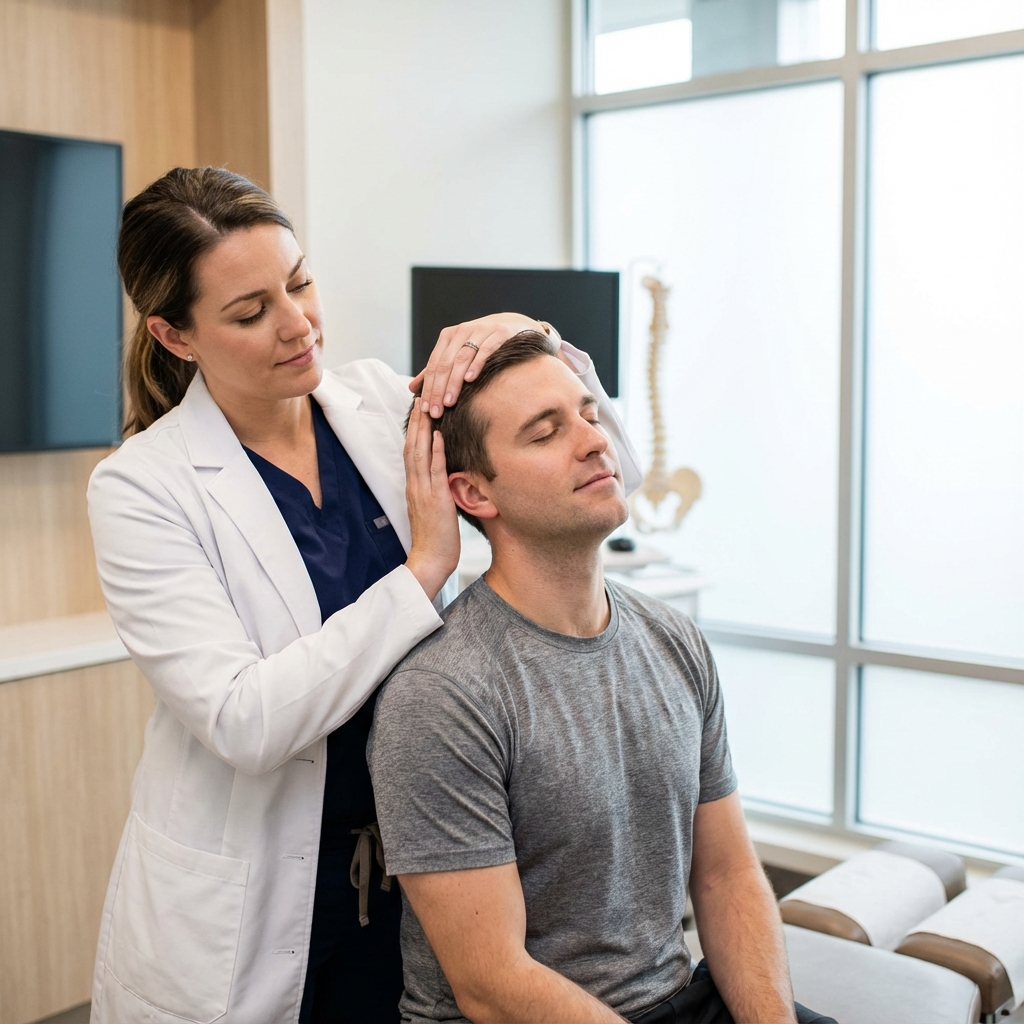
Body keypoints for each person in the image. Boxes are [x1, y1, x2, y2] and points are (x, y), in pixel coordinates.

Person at [86, 168, 640, 1024]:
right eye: (249, 312)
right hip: (262, 894)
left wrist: (535, 337)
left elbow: (602, 484)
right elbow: (245, 718)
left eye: (299, 282)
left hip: (427, 868)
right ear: (175, 334)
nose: (297, 324)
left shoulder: (385, 404)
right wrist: (421, 571)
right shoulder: (141, 488)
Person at [368, 332, 836, 1024]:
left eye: (588, 415)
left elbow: (727, 875)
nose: (594, 442)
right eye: (545, 433)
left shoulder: (673, 641)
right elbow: (493, 983)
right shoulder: (443, 693)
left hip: (672, 996)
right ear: (473, 492)